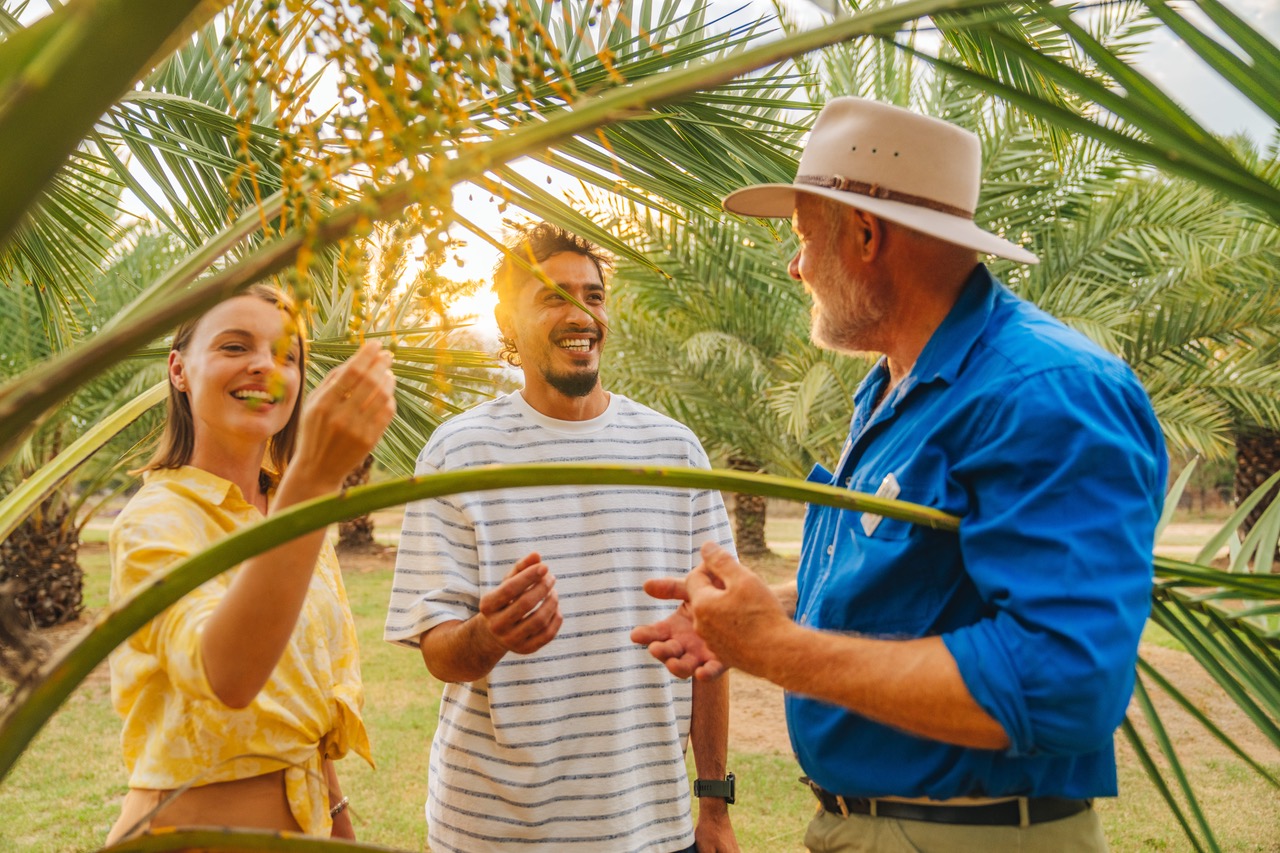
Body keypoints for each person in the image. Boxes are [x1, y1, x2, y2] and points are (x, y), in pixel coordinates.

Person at [633, 97, 1168, 852]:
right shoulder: (903, 386)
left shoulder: (1042, 391)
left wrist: (777, 649)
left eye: (802, 237)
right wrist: (759, 616)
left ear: (864, 233)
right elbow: (926, 586)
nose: (795, 266)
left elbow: (1061, 684)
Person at [384, 223, 739, 853]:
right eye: (553, 296)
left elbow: (713, 635)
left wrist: (713, 803)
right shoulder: (459, 452)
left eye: (594, 296)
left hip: (650, 829)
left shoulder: (674, 451)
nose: (580, 312)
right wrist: (488, 636)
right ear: (506, 319)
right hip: (493, 833)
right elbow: (438, 650)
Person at [106, 284, 396, 846]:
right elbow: (228, 678)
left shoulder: (288, 507)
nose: (266, 366)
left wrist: (340, 822)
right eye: (235, 347)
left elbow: (304, 707)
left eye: (288, 355)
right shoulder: (154, 521)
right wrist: (314, 480)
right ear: (179, 370)